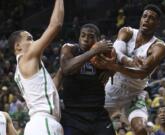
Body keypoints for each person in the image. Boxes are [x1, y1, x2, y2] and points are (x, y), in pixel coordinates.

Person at [94, 4, 165, 135]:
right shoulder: (127, 31)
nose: (146, 19)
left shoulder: (159, 46)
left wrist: (114, 66)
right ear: (140, 19)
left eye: (151, 18)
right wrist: (128, 61)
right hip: (112, 90)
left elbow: (142, 73)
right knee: (94, 126)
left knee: (141, 129)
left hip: (134, 94)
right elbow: (115, 53)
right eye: (144, 16)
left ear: (157, 23)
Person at [8, 0, 64, 134]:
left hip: (41, 124)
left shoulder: (25, 67)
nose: (33, 42)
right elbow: (56, 25)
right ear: (18, 46)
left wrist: (63, 68)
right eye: (29, 38)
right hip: (43, 123)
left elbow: (51, 89)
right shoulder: (26, 58)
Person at [60, 23, 116, 135]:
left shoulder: (104, 53)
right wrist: (92, 52)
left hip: (98, 114)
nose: (86, 39)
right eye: (83, 35)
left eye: (91, 36)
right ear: (79, 37)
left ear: (98, 40)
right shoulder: (70, 49)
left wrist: (111, 70)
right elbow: (66, 69)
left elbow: (118, 60)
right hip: (73, 115)